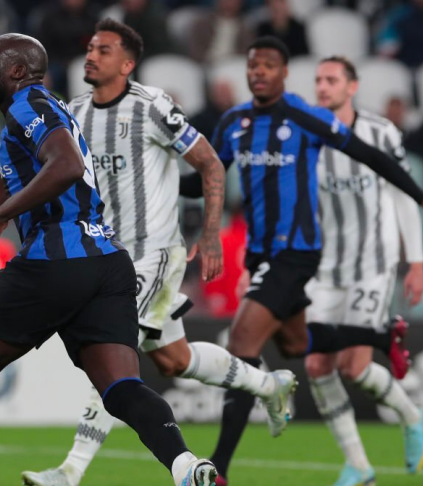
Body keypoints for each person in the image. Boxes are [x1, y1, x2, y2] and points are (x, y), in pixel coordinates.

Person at [19, 20, 296, 486]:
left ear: (127, 64)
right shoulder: (76, 114)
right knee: (175, 359)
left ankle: (69, 472)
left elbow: (209, 162)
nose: (90, 55)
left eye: (103, 50)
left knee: (111, 352)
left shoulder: (153, 108)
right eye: (89, 47)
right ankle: (271, 385)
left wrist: (210, 234)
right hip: (105, 256)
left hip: (154, 253)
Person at [0, 33, 218, 486]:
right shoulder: (22, 124)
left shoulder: (31, 103)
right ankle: (186, 466)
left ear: (15, 72)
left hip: (55, 259)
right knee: (121, 387)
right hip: (106, 263)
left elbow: (63, 165)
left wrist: (4, 218)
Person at [179, 37, 423, 485]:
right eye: (253, 65)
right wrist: (161, 175)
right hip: (264, 253)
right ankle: (381, 336)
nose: (259, 72)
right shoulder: (234, 122)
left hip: (297, 253)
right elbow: (205, 181)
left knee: (243, 346)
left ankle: (220, 470)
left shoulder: (304, 117)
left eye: (269, 65)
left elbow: (370, 155)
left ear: (285, 73)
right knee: (297, 346)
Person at [305, 56, 423, 486]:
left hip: (373, 264)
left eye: (331, 79)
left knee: (353, 367)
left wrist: (416, 261)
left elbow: (403, 196)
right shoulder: (308, 134)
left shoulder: (380, 132)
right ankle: (359, 464)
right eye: (318, 79)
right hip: (325, 268)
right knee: (318, 366)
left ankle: (412, 416)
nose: (323, 86)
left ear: (352, 87)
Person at [189, 0, 253, 64]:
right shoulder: (202, 23)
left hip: (232, 65)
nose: (228, 4)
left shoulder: (246, 27)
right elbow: (195, 50)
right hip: (205, 64)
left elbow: (247, 51)